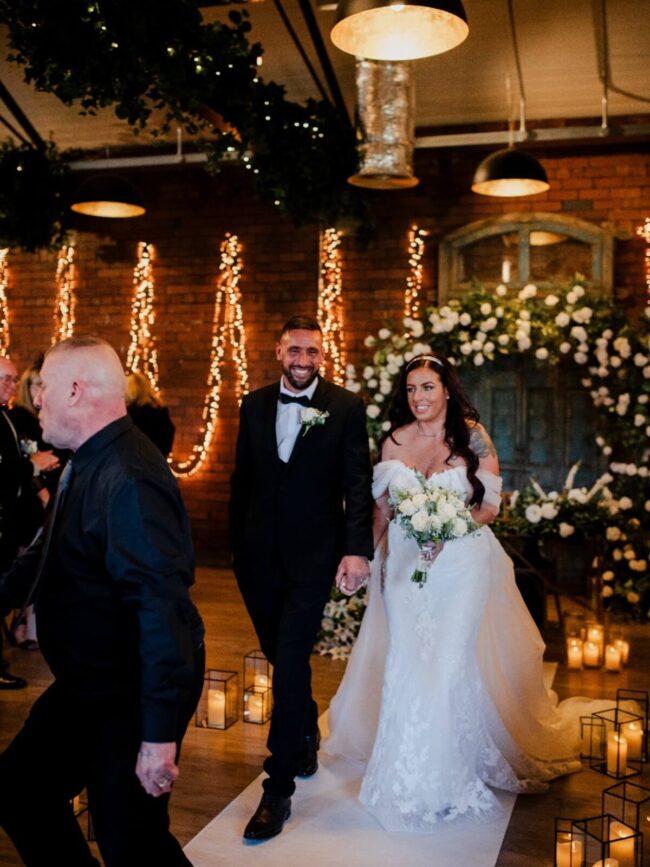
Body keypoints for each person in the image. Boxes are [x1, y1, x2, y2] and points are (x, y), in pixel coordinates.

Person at [326, 353, 588, 833]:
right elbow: (382, 509)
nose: (419, 397)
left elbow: (490, 507)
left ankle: (446, 778)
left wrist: (449, 527)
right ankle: (405, 776)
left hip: (461, 566)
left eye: (427, 387)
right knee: (407, 661)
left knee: (447, 664)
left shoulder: (473, 437)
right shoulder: (393, 441)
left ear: (446, 389)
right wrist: (362, 558)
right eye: (411, 389)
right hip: (405, 568)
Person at [0, 336, 205, 866]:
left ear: (74, 390)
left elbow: (162, 611)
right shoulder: (87, 457)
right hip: (90, 681)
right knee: (20, 790)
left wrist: (157, 736)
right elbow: (42, 557)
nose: (35, 399)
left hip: (132, 687)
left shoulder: (130, 478)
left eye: (42, 388)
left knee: (131, 841)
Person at [230, 314, 373, 841]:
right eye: (295, 350)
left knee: (289, 659)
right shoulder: (253, 404)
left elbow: (357, 483)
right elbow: (242, 480)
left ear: (322, 356)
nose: (303, 360)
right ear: (278, 351)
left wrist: (356, 550)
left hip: (314, 558)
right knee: (282, 658)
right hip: (256, 559)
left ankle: (279, 785)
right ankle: (306, 726)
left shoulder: (346, 407)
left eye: (312, 352)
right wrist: (235, 548)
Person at [0, 354, 58, 687]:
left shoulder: (6, 415)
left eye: (13, 378)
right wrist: (32, 464)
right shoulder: (13, 416)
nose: (12, 385)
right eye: (6, 379)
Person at [125, 370, 176, 458]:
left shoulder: (127, 413)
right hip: (156, 460)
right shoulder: (160, 409)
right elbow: (169, 433)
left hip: (133, 461)